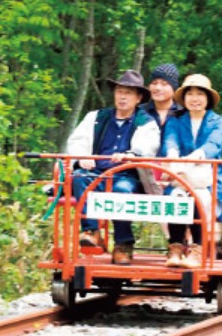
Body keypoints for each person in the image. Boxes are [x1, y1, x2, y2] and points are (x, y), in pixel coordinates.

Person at [66, 70, 160, 265]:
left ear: (138, 98)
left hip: (126, 174)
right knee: (80, 177)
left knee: (121, 190)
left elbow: (147, 146)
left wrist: (131, 155)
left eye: (128, 93)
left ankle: (123, 244)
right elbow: (77, 141)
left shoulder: (145, 122)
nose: (122, 97)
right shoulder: (97, 117)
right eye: (119, 91)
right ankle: (91, 231)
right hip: (96, 172)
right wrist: (83, 157)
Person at [161, 73, 222, 269]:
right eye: (190, 94)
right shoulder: (176, 120)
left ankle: (197, 249)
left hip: (208, 177)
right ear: (183, 98)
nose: (195, 98)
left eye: (200, 94)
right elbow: (170, 139)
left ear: (208, 98)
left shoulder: (217, 121)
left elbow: (214, 144)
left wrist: (198, 154)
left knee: (198, 199)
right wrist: (173, 154)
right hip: (180, 174)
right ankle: (175, 247)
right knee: (175, 199)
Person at [142, 62, 185, 137]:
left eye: (164, 84)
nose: (157, 88)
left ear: (174, 88)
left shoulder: (183, 113)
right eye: (154, 83)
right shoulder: (140, 111)